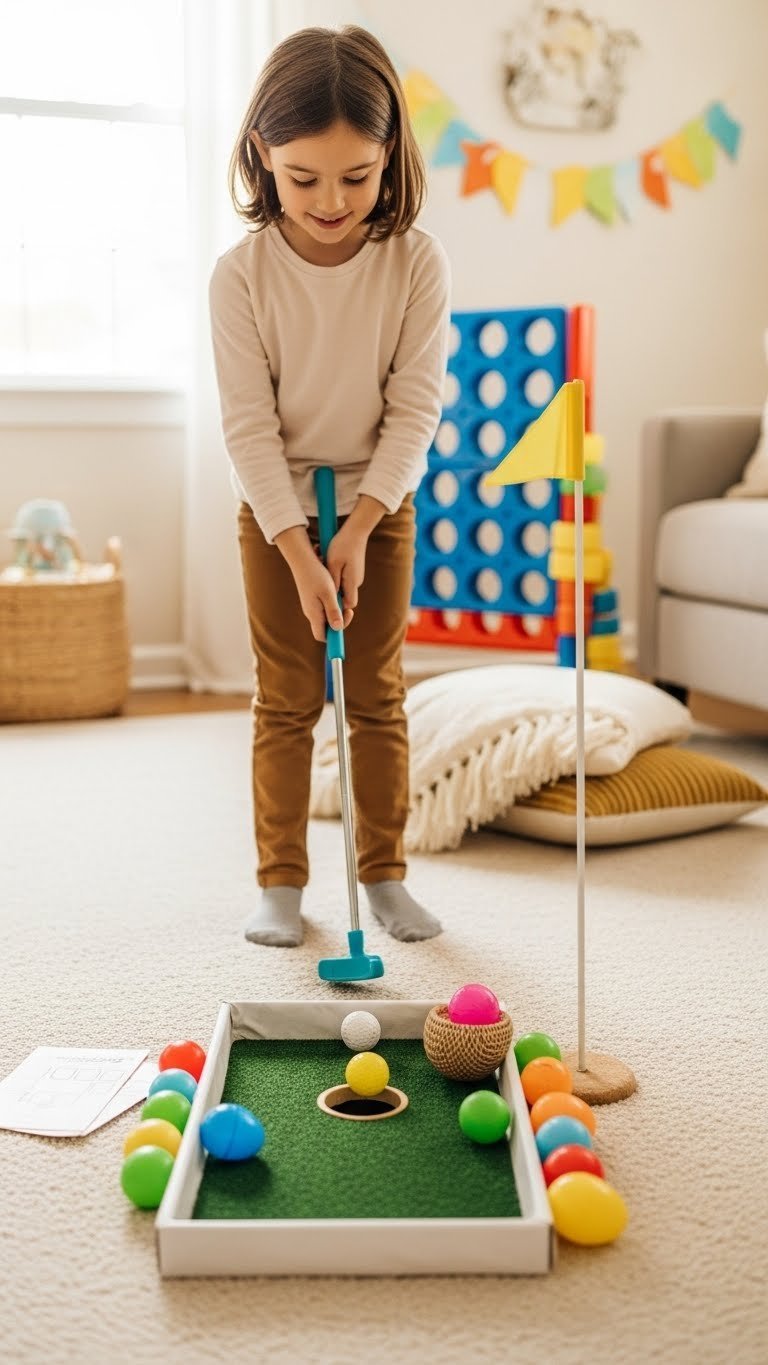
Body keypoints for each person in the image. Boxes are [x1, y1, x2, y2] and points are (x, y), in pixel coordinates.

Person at [209, 25, 451, 948]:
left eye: (357, 177)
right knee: (286, 698)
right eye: (303, 178)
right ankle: (280, 882)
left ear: (389, 159)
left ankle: (384, 875)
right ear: (262, 155)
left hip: (377, 505)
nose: (331, 201)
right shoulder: (240, 279)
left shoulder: (416, 264)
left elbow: (414, 410)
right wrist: (297, 548)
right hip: (273, 510)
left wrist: (356, 531)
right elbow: (248, 429)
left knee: (377, 695)